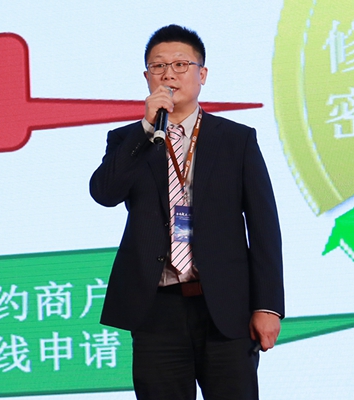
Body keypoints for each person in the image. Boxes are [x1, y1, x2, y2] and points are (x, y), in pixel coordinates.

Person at [90, 24, 284, 400]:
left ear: (202, 74)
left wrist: (268, 306)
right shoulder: (128, 140)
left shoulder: (236, 139)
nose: (169, 74)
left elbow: (264, 226)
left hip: (225, 308)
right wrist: (146, 128)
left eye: (180, 64)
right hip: (155, 309)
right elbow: (104, 193)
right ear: (147, 78)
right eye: (158, 66)